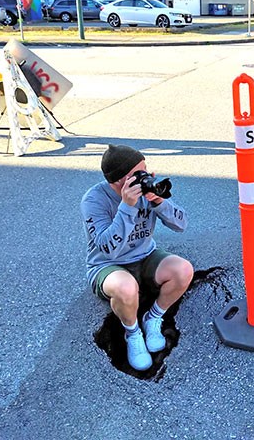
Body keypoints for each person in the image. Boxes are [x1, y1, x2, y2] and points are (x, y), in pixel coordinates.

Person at [81, 144, 193, 371]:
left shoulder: (145, 192)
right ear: (119, 181)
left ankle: (153, 318)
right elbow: (108, 249)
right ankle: (132, 333)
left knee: (183, 270)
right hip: (108, 264)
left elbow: (181, 224)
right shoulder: (93, 201)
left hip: (145, 255)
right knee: (125, 288)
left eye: (145, 170)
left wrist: (159, 202)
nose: (145, 177)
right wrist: (127, 206)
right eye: (137, 174)